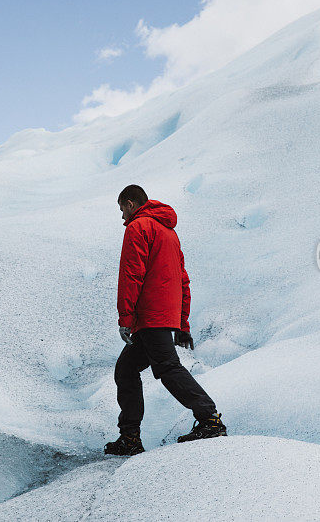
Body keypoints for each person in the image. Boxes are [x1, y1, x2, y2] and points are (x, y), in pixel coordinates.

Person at [104, 184, 227, 457]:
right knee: (126, 369)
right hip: (164, 316)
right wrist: (182, 324)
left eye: (122, 208)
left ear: (131, 203)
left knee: (168, 368)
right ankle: (130, 438)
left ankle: (209, 420)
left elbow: (131, 275)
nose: (122, 216)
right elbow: (182, 279)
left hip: (150, 315)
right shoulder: (169, 232)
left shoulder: (138, 228)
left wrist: (125, 317)